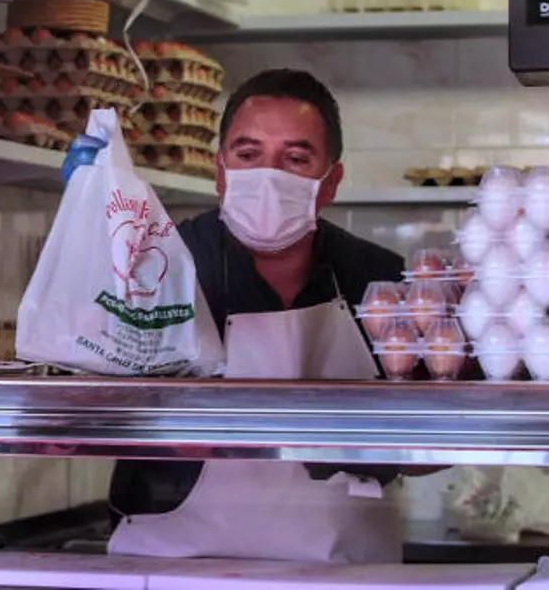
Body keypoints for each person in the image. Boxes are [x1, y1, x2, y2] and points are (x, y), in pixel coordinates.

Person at [63, 68, 411, 564]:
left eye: (295, 159)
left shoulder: (380, 281)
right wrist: (84, 229)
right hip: (172, 570)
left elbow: (435, 452)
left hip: (343, 574)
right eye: (248, 156)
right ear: (221, 171)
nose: (268, 176)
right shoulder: (161, 266)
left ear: (331, 182)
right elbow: (82, 396)